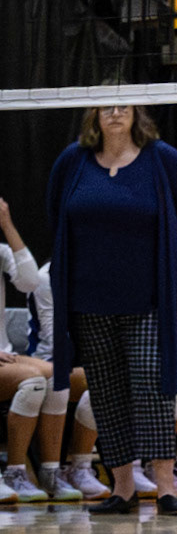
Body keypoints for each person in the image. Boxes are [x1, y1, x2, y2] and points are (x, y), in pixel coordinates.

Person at [47, 102, 177, 516]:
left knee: (152, 384)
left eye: (124, 105)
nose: (115, 113)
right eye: (106, 107)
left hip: (149, 298)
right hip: (89, 299)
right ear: (93, 116)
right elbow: (55, 214)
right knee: (106, 391)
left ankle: (166, 485)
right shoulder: (73, 161)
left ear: (137, 113)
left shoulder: (162, 158)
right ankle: (122, 488)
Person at [0, 198, 75, 503]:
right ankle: (14, 470)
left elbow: (30, 281)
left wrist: (7, 225)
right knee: (32, 383)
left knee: (58, 376)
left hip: (4, 357)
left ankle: (50, 472)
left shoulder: (2, 252)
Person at [26, 262, 109, 501]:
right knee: (101, 381)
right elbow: (55, 339)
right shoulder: (46, 277)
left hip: (86, 360)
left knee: (129, 376)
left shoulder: (100, 272)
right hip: (50, 359)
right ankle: (68, 469)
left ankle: (134, 468)